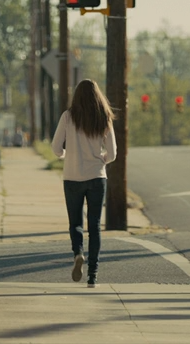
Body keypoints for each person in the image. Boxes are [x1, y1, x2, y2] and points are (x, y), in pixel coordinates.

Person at [50, 79, 117, 288]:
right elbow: (113, 153)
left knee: (75, 223)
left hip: (72, 177)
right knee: (95, 226)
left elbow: (55, 147)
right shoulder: (104, 117)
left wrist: (64, 156)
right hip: (97, 177)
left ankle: (78, 253)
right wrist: (101, 161)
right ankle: (92, 275)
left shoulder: (68, 116)